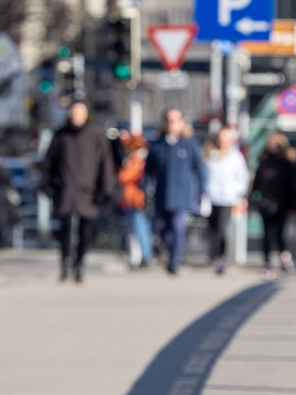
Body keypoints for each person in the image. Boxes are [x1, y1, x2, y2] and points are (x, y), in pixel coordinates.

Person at [41, 101, 115, 283]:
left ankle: (79, 264)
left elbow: (105, 163)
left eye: (79, 112)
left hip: (87, 191)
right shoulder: (60, 135)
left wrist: (106, 188)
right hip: (65, 189)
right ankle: (65, 263)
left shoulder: (96, 136)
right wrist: (48, 184)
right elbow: (48, 162)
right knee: (65, 228)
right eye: (73, 112)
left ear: (85, 115)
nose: (75, 116)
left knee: (85, 230)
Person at [145, 108, 207, 275]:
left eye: (175, 120)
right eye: (169, 120)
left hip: (181, 194)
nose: (172, 124)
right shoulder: (158, 145)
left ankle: (174, 259)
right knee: (159, 226)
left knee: (177, 226)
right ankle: (170, 250)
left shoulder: (189, 144)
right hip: (161, 193)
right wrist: (144, 190)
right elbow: (148, 170)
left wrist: (203, 193)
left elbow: (199, 170)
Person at [250, 132, 296, 279]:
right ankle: (267, 262)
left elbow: (293, 185)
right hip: (266, 202)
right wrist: (253, 200)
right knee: (267, 234)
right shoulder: (263, 162)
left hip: (283, 202)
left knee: (280, 232)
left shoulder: (288, 163)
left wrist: (294, 205)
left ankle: (285, 257)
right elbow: (256, 184)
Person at [203, 128, 250, 274]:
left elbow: (243, 176)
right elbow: (204, 175)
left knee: (221, 229)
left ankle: (220, 257)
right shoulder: (210, 154)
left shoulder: (235, 156)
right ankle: (213, 254)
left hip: (227, 198)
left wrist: (237, 192)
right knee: (212, 228)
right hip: (211, 197)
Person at [117, 132, 152, 268]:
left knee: (139, 228)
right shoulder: (135, 158)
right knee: (136, 228)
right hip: (130, 199)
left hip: (136, 200)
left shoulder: (137, 159)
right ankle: (140, 255)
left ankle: (144, 255)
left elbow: (124, 176)